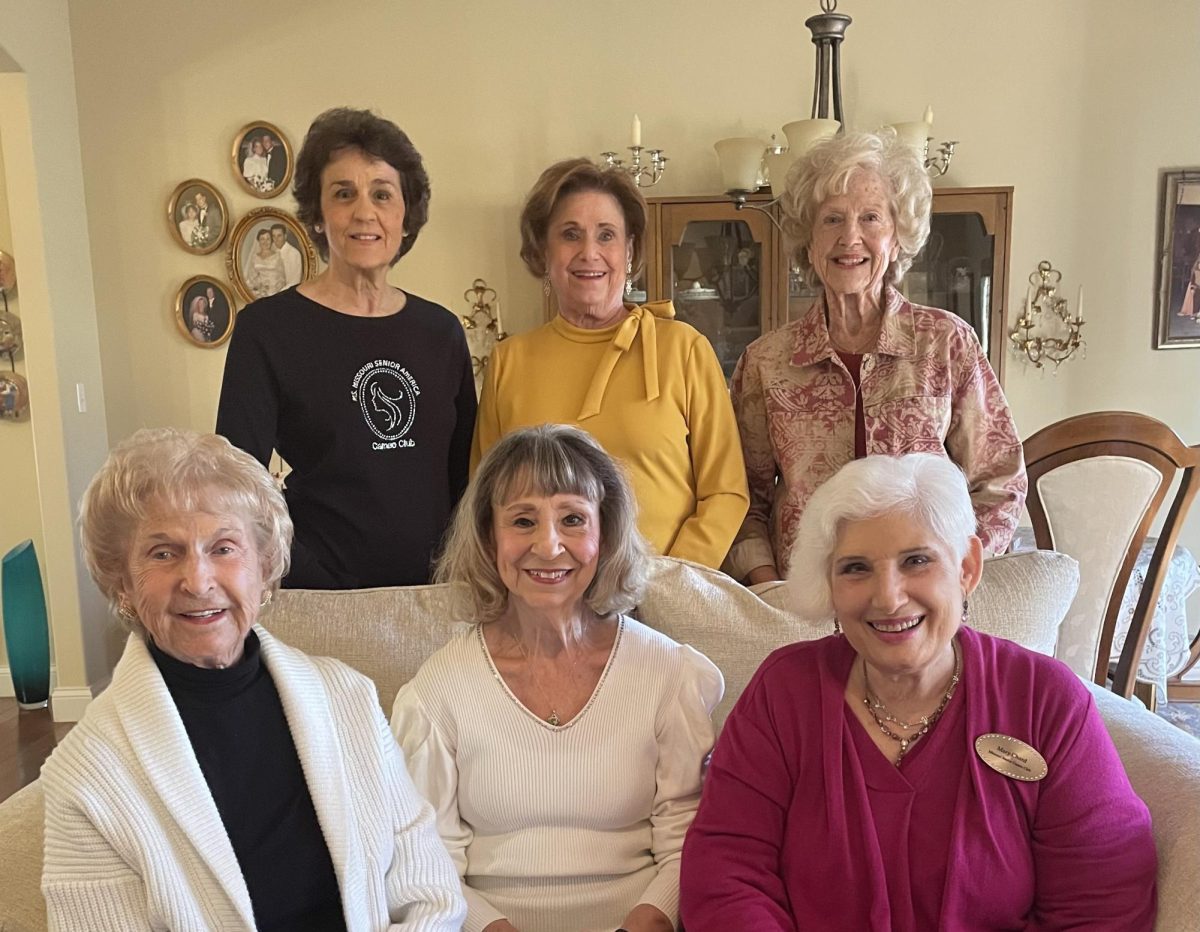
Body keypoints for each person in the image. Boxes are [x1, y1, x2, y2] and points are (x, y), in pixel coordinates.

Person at [680, 453, 1157, 931]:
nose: (888, 597)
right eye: (855, 568)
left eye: (916, 561)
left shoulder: (1042, 699)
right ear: (829, 582)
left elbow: (1103, 899)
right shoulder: (785, 690)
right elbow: (727, 866)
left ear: (966, 567)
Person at [40, 428, 466, 931]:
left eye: (223, 547)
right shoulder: (87, 774)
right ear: (123, 584)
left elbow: (430, 892)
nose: (198, 581)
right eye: (163, 553)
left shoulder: (347, 697)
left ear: (264, 568)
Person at [392, 424, 722, 932]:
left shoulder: (669, 673)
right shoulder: (439, 689)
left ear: (604, 534)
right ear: (488, 536)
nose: (548, 547)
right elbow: (428, 860)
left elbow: (688, 840)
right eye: (523, 521)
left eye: (572, 519)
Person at [726, 129, 1026, 586]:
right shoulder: (766, 362)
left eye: (870, 217)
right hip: (805, 599)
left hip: (923, 602)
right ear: (808, 240)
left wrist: (954, 576)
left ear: (897, 237)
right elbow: (743, 496)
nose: (850, 237)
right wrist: (772, 589)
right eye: (831, 219)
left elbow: (999, 482)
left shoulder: (945, 343)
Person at [217, 107, 476, 588]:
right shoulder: (268, 331)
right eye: (343, 194)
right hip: (323, 597)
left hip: (438, 594)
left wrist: (460, 574)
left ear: (405, 214)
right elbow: (237, 486)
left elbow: (464, 476)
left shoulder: (441, 332)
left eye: (382, 194)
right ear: (317, 216)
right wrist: (310, 574)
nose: (364, 212)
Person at [473, 158, 748, 570]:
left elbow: (726, 492)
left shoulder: (685, 350)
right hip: (547, 592)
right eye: (570, 235)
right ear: (543, 251)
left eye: (607, 235)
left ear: (630, 249)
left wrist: (666, 583)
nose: (589, 253)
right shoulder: (510, 361)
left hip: (665, 596)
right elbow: (487, 500)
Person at [247, 227, 286, 298]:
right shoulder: (254, 257)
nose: (265, 242)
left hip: (274, 292)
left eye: (268, 239)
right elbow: (251, 277)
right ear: (258, 241)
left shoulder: (277, 256)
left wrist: (274, 288)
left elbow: (282, 278)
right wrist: (260, 287)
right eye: (262, 239)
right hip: (259, 292)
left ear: (271, 241)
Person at [273, 222, 304, 286]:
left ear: (285, 236)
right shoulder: (272, 250)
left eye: (279, 236)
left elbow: (295, 282)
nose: (276, 240)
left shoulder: (294, 254)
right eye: (274, 236)